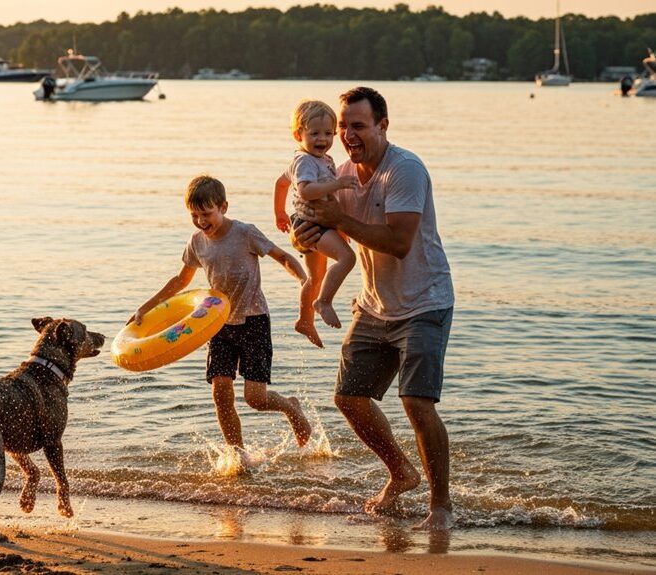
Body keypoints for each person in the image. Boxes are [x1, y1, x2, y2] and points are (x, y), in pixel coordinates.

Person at [293, 87, 455, 530]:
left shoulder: (405, 170)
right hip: (373, 304)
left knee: (417, 403)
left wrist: (337, 220)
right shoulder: (340, 174)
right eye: (343, 126)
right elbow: (316, 222)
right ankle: (401, 473)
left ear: (383, 125)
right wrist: (304, 234)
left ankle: (440, 507)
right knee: (349, 398)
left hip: (425, 301)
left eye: (357, 126)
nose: (347, 135)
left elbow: (399, 244)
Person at [131, 175, 313, 451]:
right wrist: (146, 307)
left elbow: (283, 257)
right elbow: (181, 281)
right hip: (217, 324)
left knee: (255, 398)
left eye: (206, 214)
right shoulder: (197, 242)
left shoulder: (245, 233)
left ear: (223, 207)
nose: (201, 221)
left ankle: (291, 407)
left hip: (253, 320)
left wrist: (304, 281)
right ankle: (237, 455)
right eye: (194, 215)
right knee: (221, 394)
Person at [274, 100, 358, 348]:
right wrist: (338, 184)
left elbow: (281, 183)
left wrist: (279, 212)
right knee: (347, 259)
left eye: (328, 133)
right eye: (314, 133)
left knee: (315, 276)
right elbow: (307, 190)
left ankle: (304, 320)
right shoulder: (305, 161)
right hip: (313, 225)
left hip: (314, 222)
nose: (322, 139)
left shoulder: (318, 159)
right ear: (298, 134)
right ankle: (324, 302)